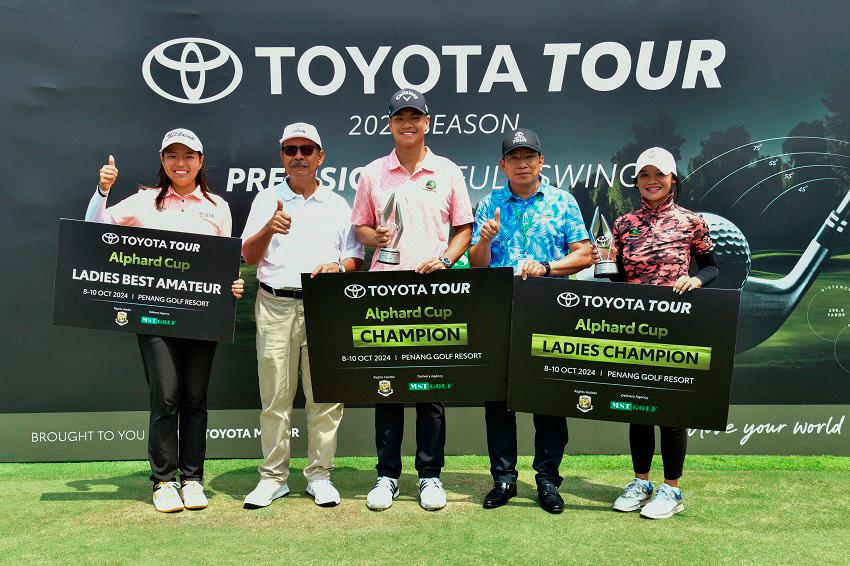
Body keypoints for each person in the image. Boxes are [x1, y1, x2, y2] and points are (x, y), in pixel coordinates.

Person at [85, 128, 244, 513]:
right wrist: (102, 191)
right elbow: (95, 229)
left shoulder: (217, 206)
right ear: (162, 161)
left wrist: (233, 285)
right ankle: (163, 481)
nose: (180, 163)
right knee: (167, 395)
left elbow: (226, 263)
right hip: (154, 316)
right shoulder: (143, 202)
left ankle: (192, 478)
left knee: (194, 398)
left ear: (200, 162)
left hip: (202, 317)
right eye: (172, 156)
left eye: (188, 156)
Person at [351, 89, 473, 511]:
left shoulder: (448, 170)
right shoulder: (371, 173)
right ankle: (386, 476)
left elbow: (463, 230)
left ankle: (430, 476)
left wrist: (445, 259)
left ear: (427, 122)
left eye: (414, 116)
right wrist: (374, 237)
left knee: (429, 388)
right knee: (387, 389)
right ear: (389, 123)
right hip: (385, 291)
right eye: (399, 116)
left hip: (433, 291)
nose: (407, 123)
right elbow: (361, 229)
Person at [241, 123, 364, 509]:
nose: (298, 156)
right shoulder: (267, 199)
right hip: (275, 303)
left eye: (306, 149)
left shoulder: (338, 204)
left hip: (323, 306)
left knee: (324, 397)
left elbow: (355, 258)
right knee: (274, 397)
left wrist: (337, 267)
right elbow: (248, 256)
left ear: (320, 156)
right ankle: (274, 477)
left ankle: (319, 475)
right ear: (282, 156)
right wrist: (267, 228)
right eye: (291, 149)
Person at [469, 128, 592, 514]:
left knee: (549, 398)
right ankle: (504, 478)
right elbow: (476, 264)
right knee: (499, 402)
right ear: (502, 164)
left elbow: (585, 254)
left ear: (541, 161)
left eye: (529, 156)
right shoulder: (490, 203)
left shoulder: (563, 201)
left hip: (551, 309)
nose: (522, 163)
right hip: (502, 310)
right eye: (514, 157)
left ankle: (547, 480)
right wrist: (485, 239)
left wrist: (547, 267)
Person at [593, 146, 718, 519]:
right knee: (638, 406)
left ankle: (672, 489)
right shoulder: (623, 223)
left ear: (673, 180)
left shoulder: (691, 221)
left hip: (675, 325)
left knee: (671, 409)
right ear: (637, 181)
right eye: (644, 175)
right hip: (634, 327)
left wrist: (694, 279)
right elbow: (613, 276)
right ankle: (641, 482)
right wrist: (605, 268)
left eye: (658, 175)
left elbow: (711, 265)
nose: (651, 181)